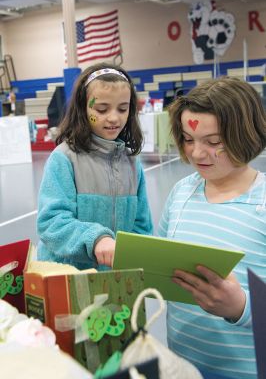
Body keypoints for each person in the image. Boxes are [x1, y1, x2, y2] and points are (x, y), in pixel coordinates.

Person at [158, 77, 266, 379]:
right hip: (183, 367)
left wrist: (240, 307)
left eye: (214, 142)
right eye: (189, 139)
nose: (196, 154)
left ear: (246, 135)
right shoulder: (181, 192)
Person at [37, 62, 153, 270]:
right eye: (102, 109)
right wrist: (96, 239)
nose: (114, 118)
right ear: (83, 108)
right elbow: (51, 223)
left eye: (123, 109)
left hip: (116, 282)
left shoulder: (133, 164)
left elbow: (142, 227)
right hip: (69, 279)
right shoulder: (64, 159)